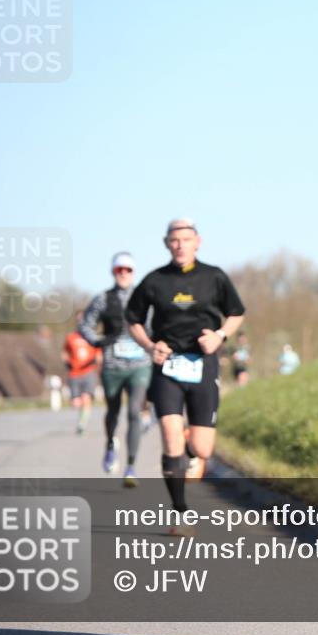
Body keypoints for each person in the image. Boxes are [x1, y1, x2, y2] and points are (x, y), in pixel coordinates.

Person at [125, 219, 245, 533]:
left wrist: (219, 336)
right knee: (170, 435)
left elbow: (236, 313)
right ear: (167, 243)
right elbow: (133, 319)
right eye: (174, 240)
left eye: (186, 239)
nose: (180, 245)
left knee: (203, 449)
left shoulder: (214, 276)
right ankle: (180, 512)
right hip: (167, 366)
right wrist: (150, 346)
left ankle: (189, 453)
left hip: (204, 364)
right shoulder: (155, 280)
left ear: (197, 242)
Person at [79, 252, 153, 487]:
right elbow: (85, 325)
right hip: (112, 366)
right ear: (113, 272)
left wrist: (154, 344)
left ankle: (131, 467)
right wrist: (98, 341)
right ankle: (111, 442)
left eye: (127, 270)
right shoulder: (103, 298)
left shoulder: (146, 298)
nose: (123, 274)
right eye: (119, 270)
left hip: (140, 365)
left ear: (133, 272)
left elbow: (156, 326)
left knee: (134, 412)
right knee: (113, 411)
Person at [63, 311, 102, 435]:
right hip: (74, 373)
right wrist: (67, 363)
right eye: (78, 319)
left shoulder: (92, 337)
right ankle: (82, 416)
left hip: (88, 372)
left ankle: (82, 424)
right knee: (75, 403)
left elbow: (99, 354)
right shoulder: (70, 337)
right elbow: (64, 353)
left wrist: (97, 363)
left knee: (86, 398)